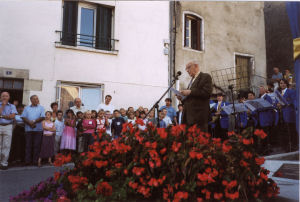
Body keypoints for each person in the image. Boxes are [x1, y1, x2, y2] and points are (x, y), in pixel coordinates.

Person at [177, 61, 213, 131]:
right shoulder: (192, 80)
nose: (187, 70)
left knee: (200, 140)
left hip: (199, 117)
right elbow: (191, 99)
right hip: (188, 117)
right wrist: (182, 98)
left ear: (196, 66)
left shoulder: (205, 76)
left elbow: (207, 93)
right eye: (186, 69)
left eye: (188, 67)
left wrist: (190, 92)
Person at [21, 95, 45, 166]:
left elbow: (42, 117)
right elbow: (23, 117)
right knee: (28, 145)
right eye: (34, 99)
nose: (36, 100)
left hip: (38, 130)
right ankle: (27, 161)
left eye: (37, 99)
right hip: (28, 130)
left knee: (37, 146)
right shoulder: (26, 108)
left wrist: (33, 121)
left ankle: (35, 161)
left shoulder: (41, 108)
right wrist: (30, 123)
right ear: (31, 100)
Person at [276, 79, 297, 151]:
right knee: (283, 131)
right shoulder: (278, 93)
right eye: (281, 83)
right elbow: (276, 102)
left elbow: (293, 100)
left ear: (286, 84)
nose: (282, 85)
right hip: (281, 114)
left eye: (284, 83)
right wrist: (277, 104)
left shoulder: (291, 91)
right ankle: (286, 146)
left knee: (291, 130)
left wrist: (285, 103)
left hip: (289, 113)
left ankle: (293, 146)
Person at [0, 92, 17, 170]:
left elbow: (12, 116)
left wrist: (2, 116)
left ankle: (4, 163)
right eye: (3, 96)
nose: (4, 97)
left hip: (8, 126)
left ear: (9, 97)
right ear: (0, 97)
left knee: (6, 145)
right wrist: (3, 106)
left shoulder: (12, 106)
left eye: (6, 96)